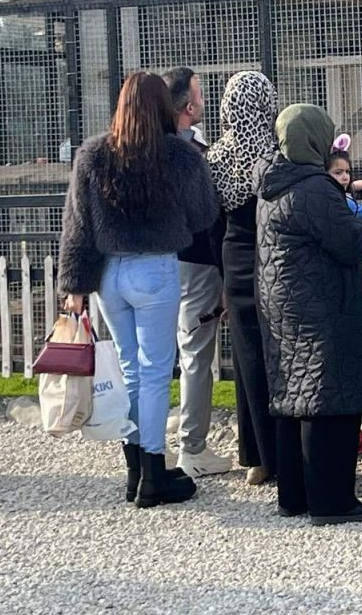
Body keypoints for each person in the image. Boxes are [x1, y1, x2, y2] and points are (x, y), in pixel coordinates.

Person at [57, 71, 218, 508]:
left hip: (109, 275)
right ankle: (153, 473)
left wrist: (74, 284)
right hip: (155, 271)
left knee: (130, 368)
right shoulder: (178, 156)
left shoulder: (93, 154)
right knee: (154, 371)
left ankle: (135, 472)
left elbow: (78, 225)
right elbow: (205, 212)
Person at [255, 103, 362, 525]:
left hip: (285, 303)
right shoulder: (315, 188)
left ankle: (294, 495)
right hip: (321, 304)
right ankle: (331, 501)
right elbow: (349, 242)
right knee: (328, 398)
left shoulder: (272, 185)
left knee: (294, 398)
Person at [206, 71, 279, 486]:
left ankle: (255, 455)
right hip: (272, 252)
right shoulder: (275, 151)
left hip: (234, 252)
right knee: (280, 352)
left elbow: (212, 221)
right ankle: (282, 449)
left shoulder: (215, 156)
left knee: (247, 355)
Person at [162, 67, 231, 478]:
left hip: (157, 259)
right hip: (196, 260)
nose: (203, 101)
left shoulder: (149, 147)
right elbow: (209, 217)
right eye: (200, 96)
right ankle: (193, 447)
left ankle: (151, 445)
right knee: (195, 357)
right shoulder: (192, 153)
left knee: (151, 360)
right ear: (188, 107)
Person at [326, 144, 362, 219]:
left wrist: (352, 187)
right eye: (338, 172)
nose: (345, 177)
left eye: (347, 172)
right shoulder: (344, 201)